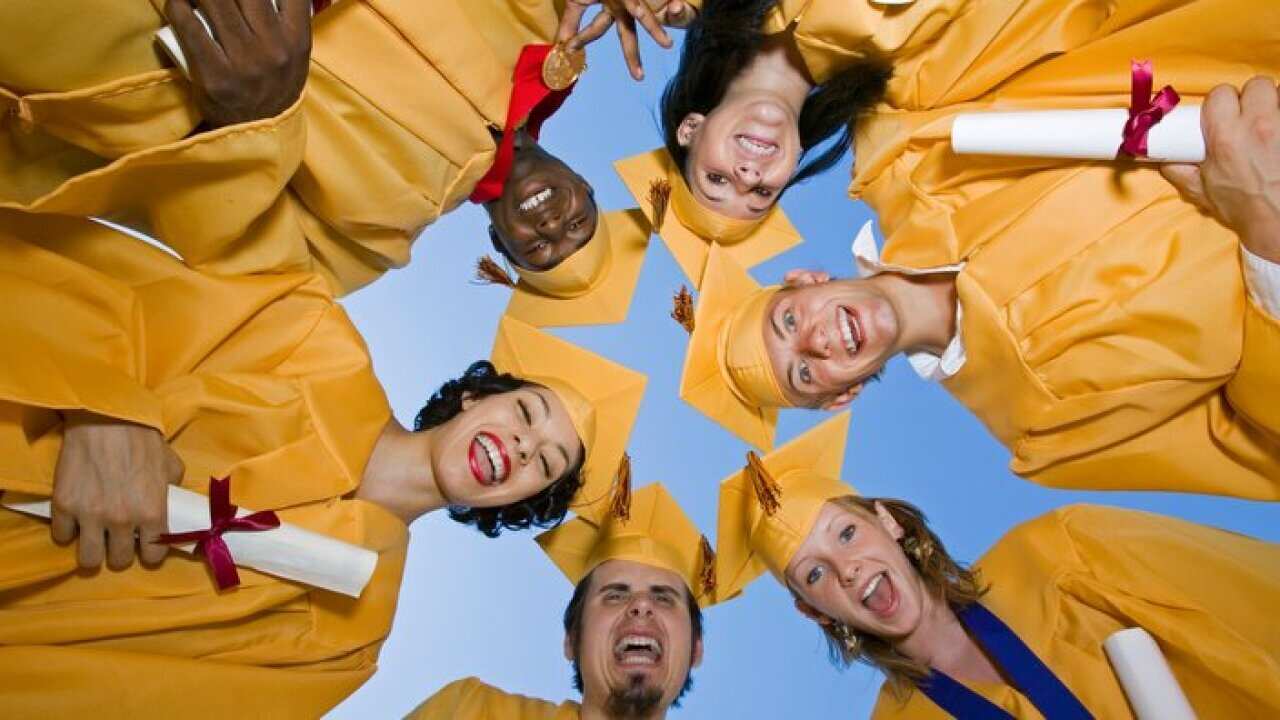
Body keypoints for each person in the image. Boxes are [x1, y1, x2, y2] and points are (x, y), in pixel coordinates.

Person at [0, 213, 645, 716]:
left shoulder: (353, 633)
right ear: (476, 396)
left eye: (546, 465)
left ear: (517, 503)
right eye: (526, 413)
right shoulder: (311, 339)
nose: (527, 447)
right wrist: (105, 406)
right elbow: (103, 279)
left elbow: (145, 706)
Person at [678, 78, 1280, 497]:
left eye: (787, 321)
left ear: (805, 278)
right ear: (842, 398)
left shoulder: (914, 149)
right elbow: (1259, 446)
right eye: (803, 375)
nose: (814, 343)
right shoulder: (1047, 434)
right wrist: (1265, 235)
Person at [0, 0, 681, 325]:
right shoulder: (548, 26)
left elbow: (232, 258)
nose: (553, 228)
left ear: (502, 244)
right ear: (586, 186)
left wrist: (252, 120)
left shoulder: (373, 242)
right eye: (580, 225)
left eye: (541, 253)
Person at [715, 414, 1280, 718]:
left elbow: (1246, 597)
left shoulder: (1059, 550)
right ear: (812, 612)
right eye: (814, 574)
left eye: (846, 533)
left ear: (888, 522)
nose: (848, 570)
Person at [405, 483, 717, 719]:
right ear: (571, 640)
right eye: (615, 595)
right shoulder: (472, 712)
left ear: (696, 650)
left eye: (663, 598)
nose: (641, 605)